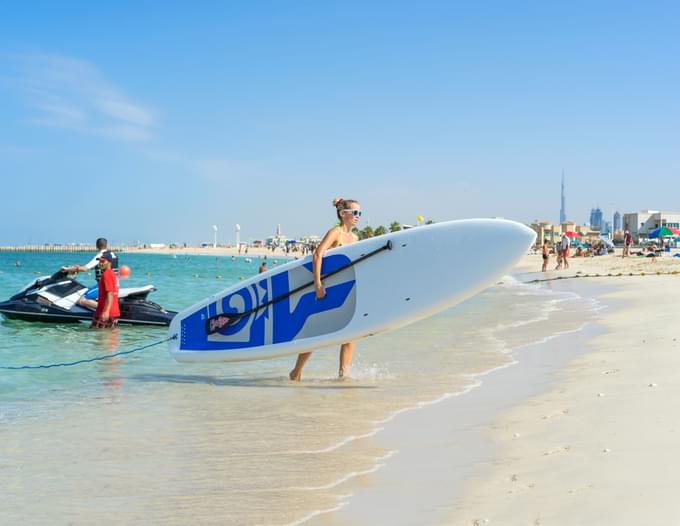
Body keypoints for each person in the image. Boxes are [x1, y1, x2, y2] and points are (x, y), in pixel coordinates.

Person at [289, 197, 361, 381]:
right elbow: (317, 255)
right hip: (326, 288)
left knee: (351, 335)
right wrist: (318, 284)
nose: (358, 216)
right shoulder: (335, 233)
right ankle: (296, 371)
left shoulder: (355, 238)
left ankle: (343, 377)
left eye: (359, 213)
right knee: (318, 332)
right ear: (342, 214)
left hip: (345, 289)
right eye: (355, 212)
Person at [62, 237, 117, 309]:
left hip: (104, 284)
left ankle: (106, 310)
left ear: (97, 246)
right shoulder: (113, 254)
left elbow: (85, 269)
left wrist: (67, 269)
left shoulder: (101, 255)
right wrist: (77, 268)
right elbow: (102, 267)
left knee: (82, 299)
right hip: (114, 284)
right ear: (106, 245)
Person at [91, 251, 120, 328]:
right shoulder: (112, 274)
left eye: (103, 261)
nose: (100, 263)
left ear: (110, 262)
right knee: (109, 337)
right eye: (100, 261)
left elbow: (110, 293)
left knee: (99, 336)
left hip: (105, 312)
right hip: (110, 312)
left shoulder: (107, 274)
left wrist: (106, 311)